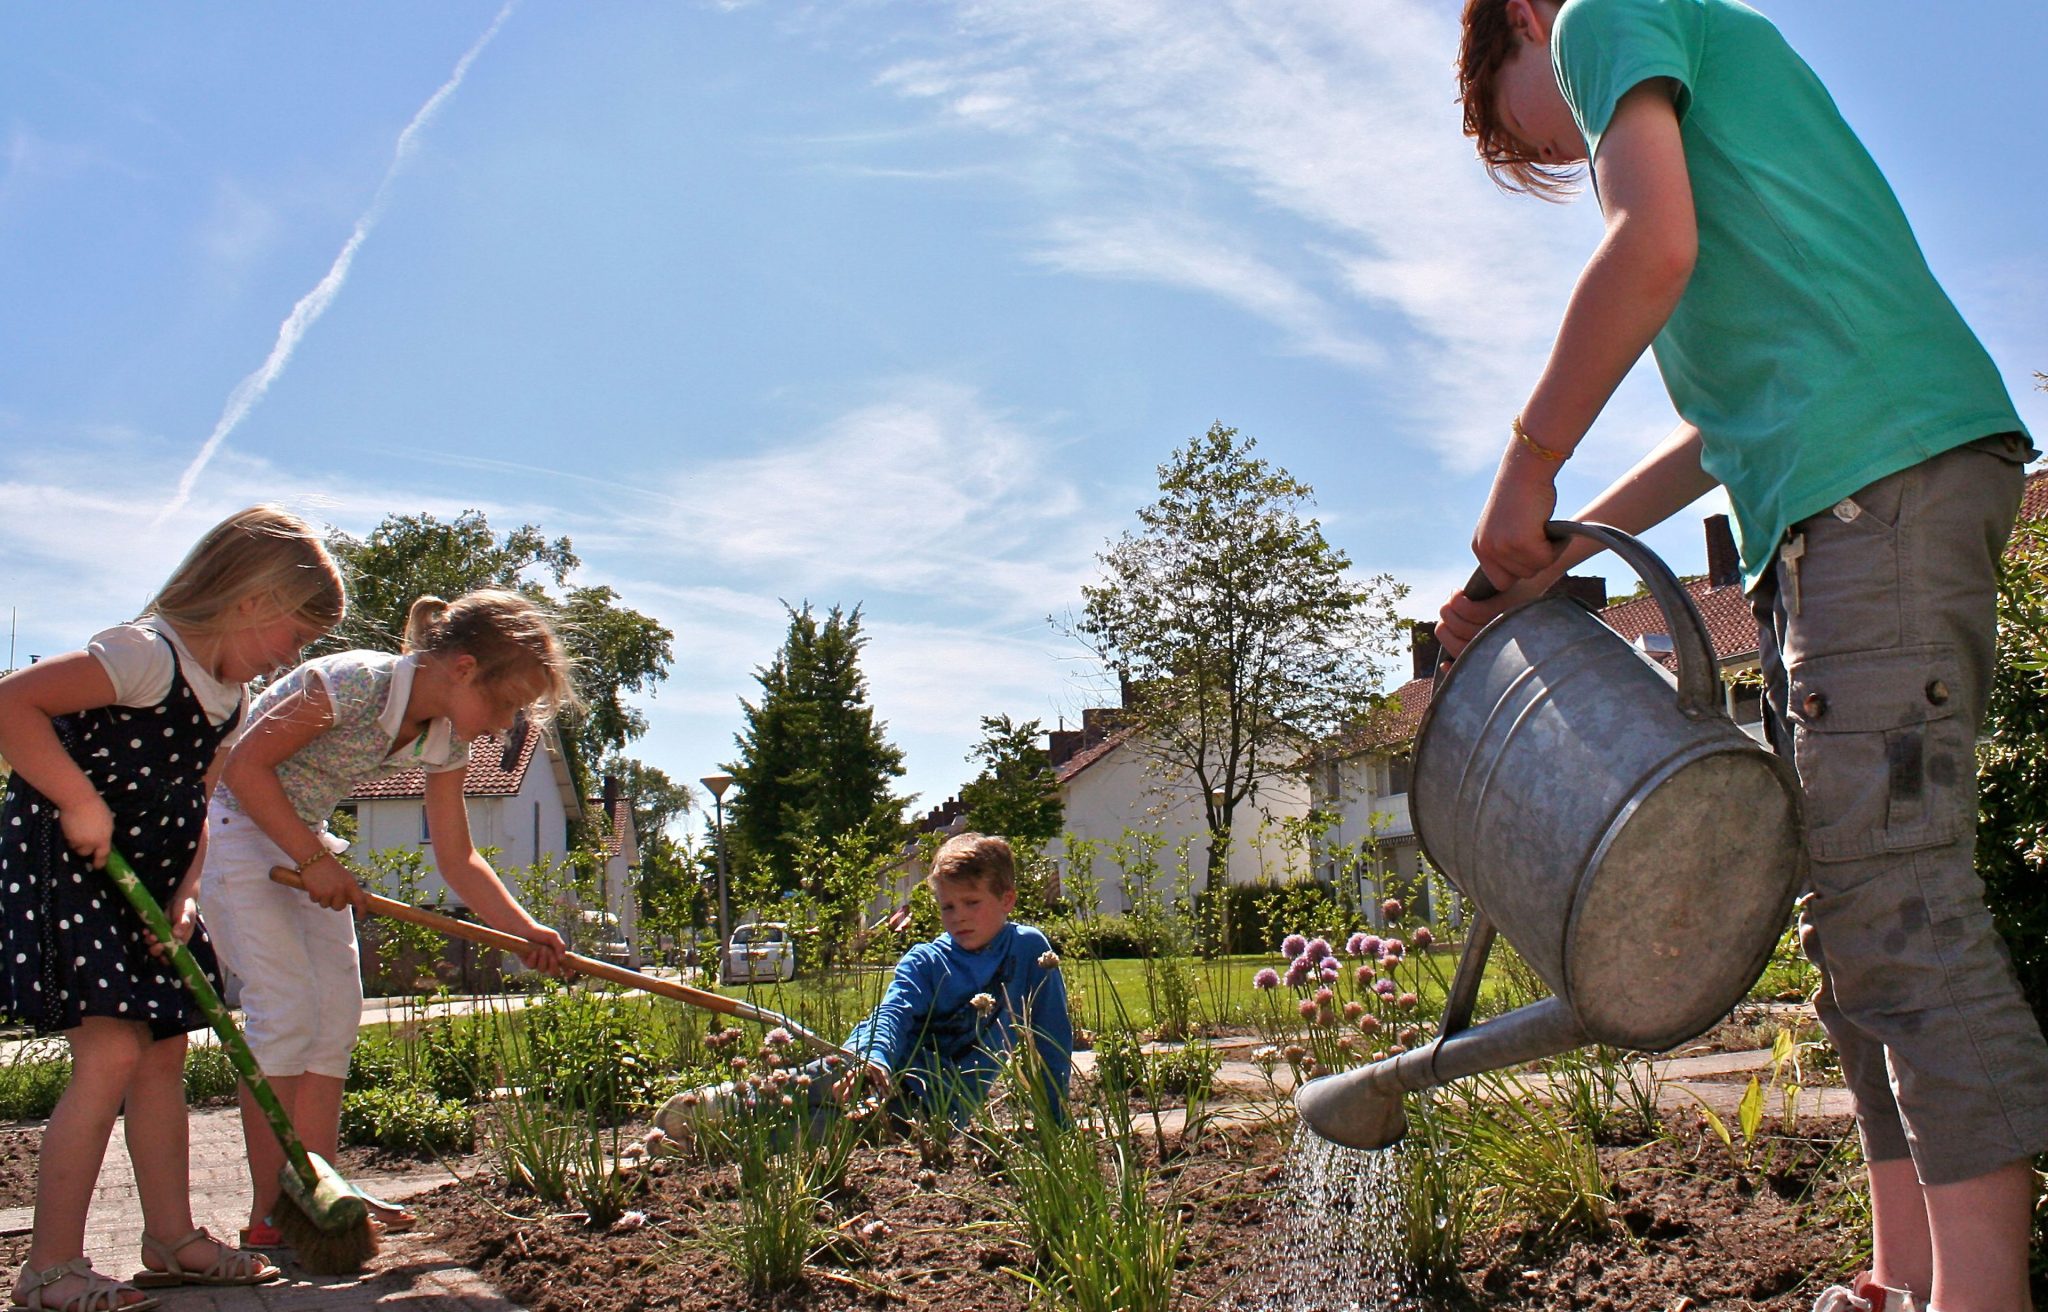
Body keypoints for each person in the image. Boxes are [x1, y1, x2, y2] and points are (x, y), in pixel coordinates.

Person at [1438, 3, 2047, 1309]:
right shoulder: (1704, 77)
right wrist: (1545, 541)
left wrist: (1525, 463)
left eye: (1538, 128)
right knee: (1852, 923)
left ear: (1525, 24)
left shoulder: (1603, 14)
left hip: (1870, 489)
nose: (1568, 153)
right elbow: (1722, 436)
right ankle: (1902, 1273)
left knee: (1906, 912)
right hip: (1840, 494)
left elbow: (1648, 246)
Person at [0, 505, 345, 1311]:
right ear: (250, 602)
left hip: (147, 880)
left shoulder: (230, 693)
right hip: (71, 863)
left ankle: (171, 1239)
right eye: (295, 635)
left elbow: (199, 798)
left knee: (164, 1054)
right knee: (113, 1056)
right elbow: (11, 704)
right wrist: (80, 799)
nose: (294, 656)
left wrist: (187, 890)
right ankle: (48, 1268)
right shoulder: (142, 654)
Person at [203, 589, 571, 1249]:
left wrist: (524, 931)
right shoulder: (350, 684)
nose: (498, 727)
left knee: (335, 1017)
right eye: (504, 705)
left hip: (303, 843)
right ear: (462, 669)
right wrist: (313, 858)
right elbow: (243, 767)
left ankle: (323, 1191)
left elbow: (458, 858)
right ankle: (270, 1212)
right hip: (238, 832)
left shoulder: (443, 740)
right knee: (284, 1014)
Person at [659, 832, 1071, 1137]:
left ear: (1007, 900)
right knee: (807, 1086)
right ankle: (715, 1107)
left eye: (971, 903)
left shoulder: (1029, 952)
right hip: (873, 1068)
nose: (957, 916)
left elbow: (1052, 1037)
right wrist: (870, 1057)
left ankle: (720, 1140)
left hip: (933, 1111)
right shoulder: (927, 961)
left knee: (830, 1134)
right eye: (948, 906)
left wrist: (1057, 1119)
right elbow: (891, 1013)